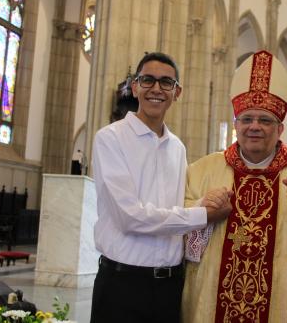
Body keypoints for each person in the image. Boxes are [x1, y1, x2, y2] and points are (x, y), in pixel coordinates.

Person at [182, 50, 287, 322]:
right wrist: (203, 210)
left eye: (265, 120)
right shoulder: (203, 171)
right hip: (212, 302)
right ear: (235, 124)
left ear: (280, 128)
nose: (254, 127)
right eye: (247, 119)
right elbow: (175, 231)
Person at [90, 52, 232, 323]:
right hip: (122, 284)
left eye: (166, 82)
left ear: (177, 92)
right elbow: (129, 217)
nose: (156, 89)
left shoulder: (177, 148)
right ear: (135, 86)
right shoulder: (110, 138)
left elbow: (174, 209)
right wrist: (204, 215)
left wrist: (206, 201)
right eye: (148, 80)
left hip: (169, 286)